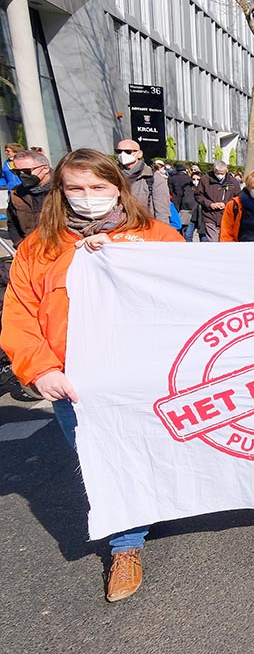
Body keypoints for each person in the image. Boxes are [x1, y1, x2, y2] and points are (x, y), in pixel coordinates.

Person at [0, 148, 182, 601]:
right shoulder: (38, 247)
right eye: (76, 188)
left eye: (98, 187)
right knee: (105, 463)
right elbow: (19, 316)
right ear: (60, 192)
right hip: (75, 383)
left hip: (145, 376)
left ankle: (150, 503)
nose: (88, 197)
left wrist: (126, 260)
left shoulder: (156, 237)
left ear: (117, 188)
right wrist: (40, 369)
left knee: (153, 451)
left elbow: (188, 299)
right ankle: (125, 547)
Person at [116, 139, 171, 223]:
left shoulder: (153, 177)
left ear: (139, 154)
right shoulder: (112, 176)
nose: (122, 155)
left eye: (128, 151)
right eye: (119, 151)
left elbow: (162, 211)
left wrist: (161, 232)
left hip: (144, 227)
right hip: (118, 228)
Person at [8, 149, 52, 248]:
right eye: (17, 172)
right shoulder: (16, 194)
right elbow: (12, 224)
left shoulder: (64, 189)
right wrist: (20, 245)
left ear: (45, 168)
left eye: (27, 171)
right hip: (31, 251)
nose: (22, 175)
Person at [194, 160, 240, 242]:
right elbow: (198, 195)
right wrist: (210, 204)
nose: (220, 175)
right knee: (213, 241)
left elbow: (238, 198)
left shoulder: (233, 182)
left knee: (225, 241)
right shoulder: (205, 179)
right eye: (218, 173)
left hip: (227, 216)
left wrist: (226, 204)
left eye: (222, 173)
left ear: (226, 171)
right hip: (210, 216)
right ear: (214, 170)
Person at [168, 160, 199, 241]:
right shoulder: (188, 178)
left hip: (175, 201)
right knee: (186, 223)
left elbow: (170, 190)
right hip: (186, 202)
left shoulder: (171, 178)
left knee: (176, 220)